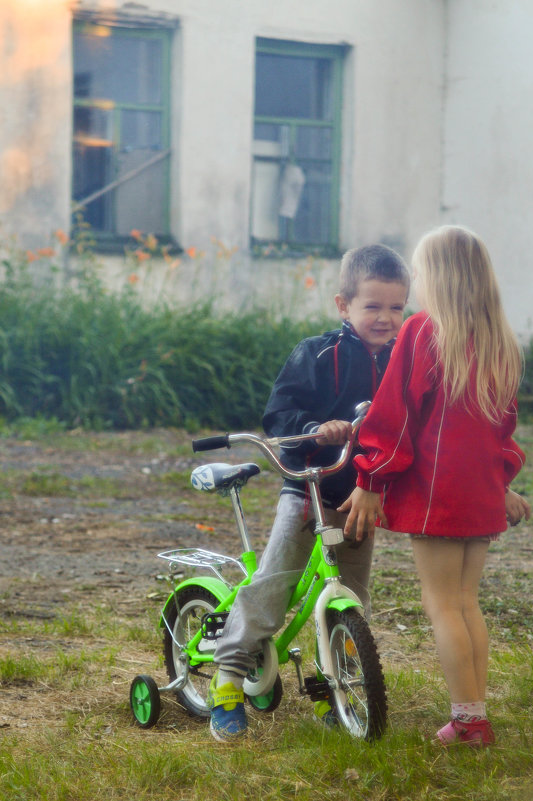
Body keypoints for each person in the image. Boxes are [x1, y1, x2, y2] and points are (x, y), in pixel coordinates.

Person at [207, 244, 410, 741]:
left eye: (397, 307)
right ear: (343, 305)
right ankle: (228, 678)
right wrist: (316, 427)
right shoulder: (318, 354)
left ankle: (331, 680)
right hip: (310, 489)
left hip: (360, 496)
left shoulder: (402, 362)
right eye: (373, 306)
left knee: (352, 594)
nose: (386, 318)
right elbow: (280, 415)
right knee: (273, 586)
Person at [340, 225, 531, 748]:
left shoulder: (424, 331)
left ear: (438, 277)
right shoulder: (501, 343)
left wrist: (372, 479)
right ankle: (475, 714)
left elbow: (395, 417)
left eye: (422, 271)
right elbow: (503, 433)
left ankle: (469, 723)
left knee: (443, 603)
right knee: (466, 603)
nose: (418, 281)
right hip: (479, 496)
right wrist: (503, 484)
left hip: (436, 495)